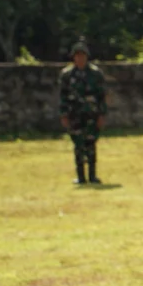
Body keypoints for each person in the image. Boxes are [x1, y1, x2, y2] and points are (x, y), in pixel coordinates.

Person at [58, 40, 108, 184]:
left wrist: (102, 114)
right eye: (77, 55)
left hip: (92, 114)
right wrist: (64, 114)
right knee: (78, 145)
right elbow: (63, 96)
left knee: (91, 144)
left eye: (83, 55)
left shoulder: (95, 74)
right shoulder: (67, 74)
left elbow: (102, 96)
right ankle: (80, 176)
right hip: (74, 115)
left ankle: (92, 175)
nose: (80, 58)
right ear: (73, 57)